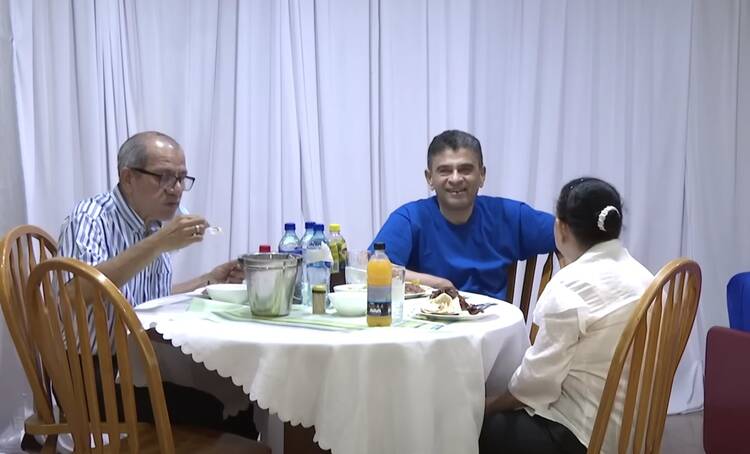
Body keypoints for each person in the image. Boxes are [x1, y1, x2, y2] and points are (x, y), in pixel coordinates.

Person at [57, 131, 254, 438]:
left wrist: (209, 279)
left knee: (242, 394)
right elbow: (73, 295)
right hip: (91, 375)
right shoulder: (92, 218)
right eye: (163, 177)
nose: (175, 190)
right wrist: (159, 243)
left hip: (138, 364)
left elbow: (148, 301)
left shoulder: (152, 223)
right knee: (214, 409)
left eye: (181, 179)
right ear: (128, 178)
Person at [480, 177, 654, 454]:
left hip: (587, 436)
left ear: (560, 227)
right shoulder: (646, 278)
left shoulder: (571, 285)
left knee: (484, 428)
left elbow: (536, 386)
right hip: (635, 430)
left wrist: (486, 406)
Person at [370, 129, 555, 300]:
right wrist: (437, 284)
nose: (456, 179)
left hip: (492, 329)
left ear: (482, 175)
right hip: (427, 328)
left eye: (465, 169)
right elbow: (367, 269)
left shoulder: (510, 215)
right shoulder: (411, 218)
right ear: (430, 178)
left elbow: (572, 234)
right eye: (445, 171)